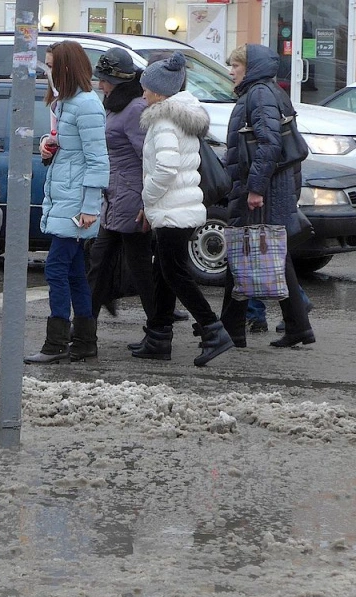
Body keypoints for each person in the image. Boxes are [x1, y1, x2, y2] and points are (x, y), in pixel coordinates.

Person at [130, 52, 233, 366]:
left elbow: (165, 168)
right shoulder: (182, 115)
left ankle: (213, 329)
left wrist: (148, 200)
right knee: (163, 271)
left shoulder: (163, 121)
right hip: (182, 207)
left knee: (174, 273)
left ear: (160, 93)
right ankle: (159, 336)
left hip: (172, 209)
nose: (143, 93)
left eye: (146, 88)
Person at [223, 44, 313, 349]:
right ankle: (297, 326)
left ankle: (230, 330)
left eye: (235, 65)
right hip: (269, 186)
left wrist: (256, 188)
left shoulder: (259, 94)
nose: (231, 71)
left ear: (250, 67)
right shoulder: (264, 91)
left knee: (242, 253)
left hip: (265, 189)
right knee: (267, 254)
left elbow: (270, 143)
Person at [25, 41, 108, 364]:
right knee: (72, 271)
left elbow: (98, 160)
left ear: (67, 68)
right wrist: (49, 144)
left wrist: (89, 207)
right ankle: (84, 342)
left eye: (51, 65)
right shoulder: (66, 103)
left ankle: (57, 342)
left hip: (75, 202)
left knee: (57, 269)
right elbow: (69, 147)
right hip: (65, 196)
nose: (47, 71)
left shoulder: (85, 104)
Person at [84, 48, 154, 346]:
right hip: (114, 200)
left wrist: (146, 204)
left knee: (139, 269)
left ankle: (159, 331)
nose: (101, 85)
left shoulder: (134, 108)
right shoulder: (116, 105)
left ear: (120, 81)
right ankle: (84, 332)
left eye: (106, 80)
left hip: (131, 202)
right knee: (100, 264)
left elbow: (148, 159)